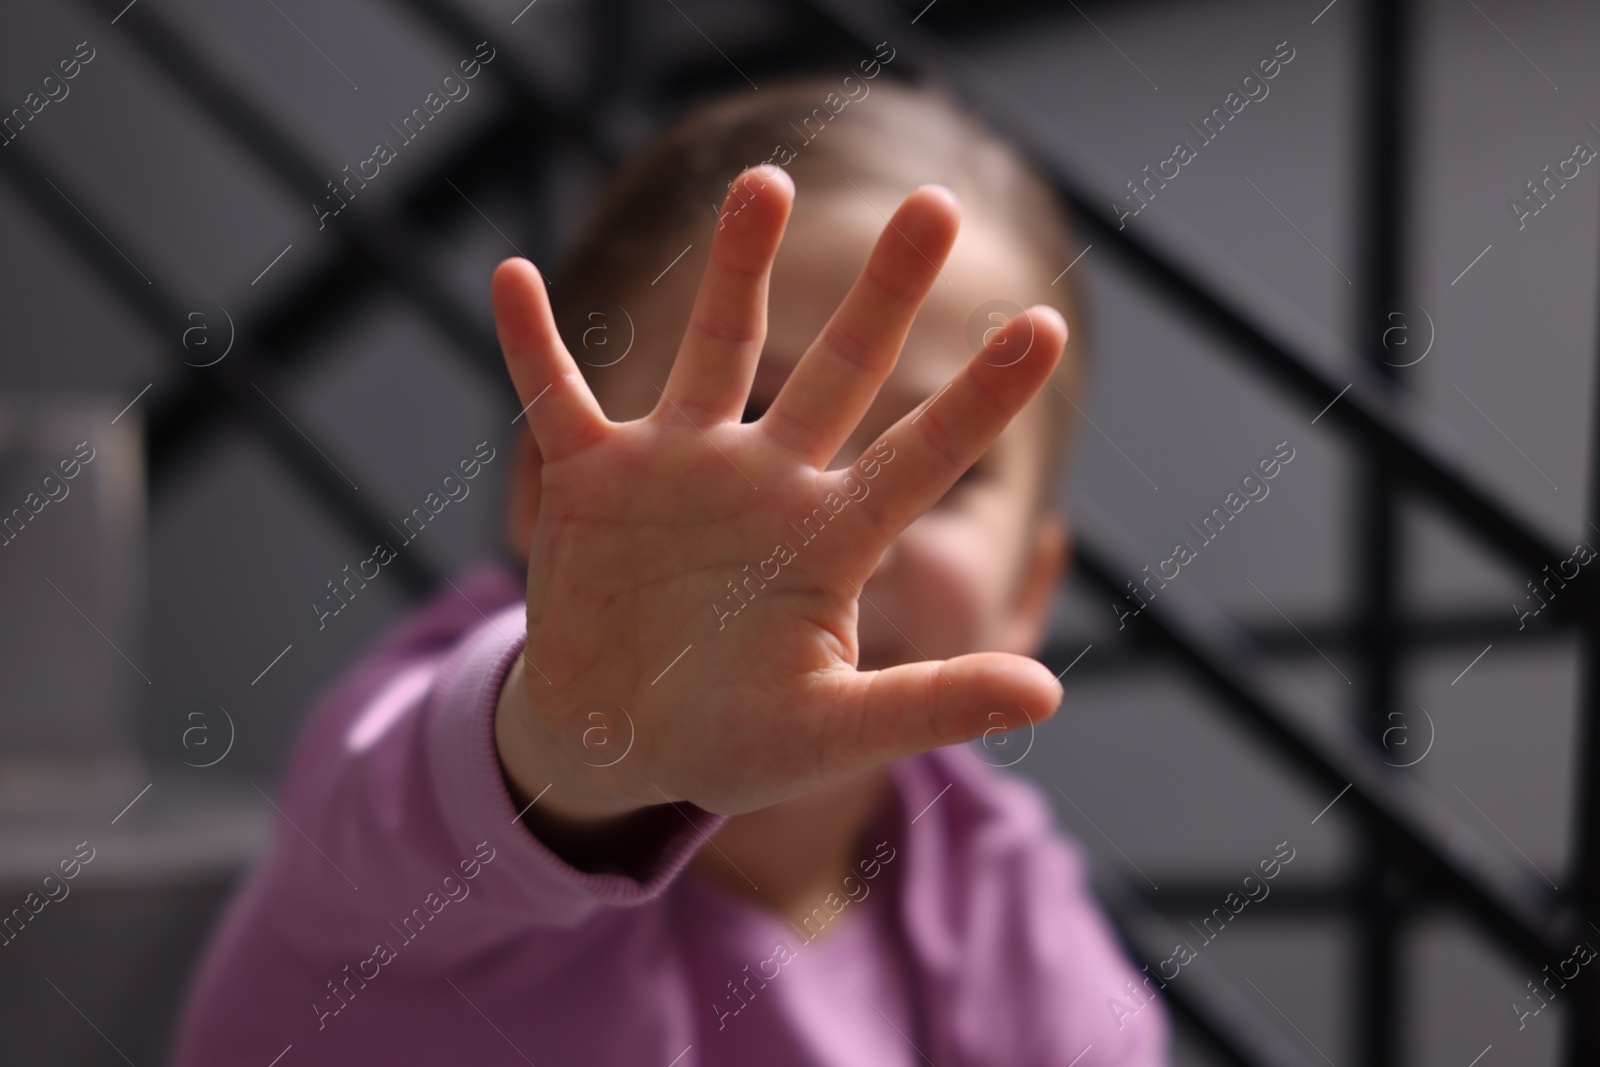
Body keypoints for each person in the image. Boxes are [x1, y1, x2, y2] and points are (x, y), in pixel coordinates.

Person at [173, 73, 1169, 1066]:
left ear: (1029, 589)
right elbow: (403, 818)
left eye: (944, 471)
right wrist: (572, 746)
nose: (834, 516)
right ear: (548, 488)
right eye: (751, 416)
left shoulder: (1011, 908)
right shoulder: (410, 790)